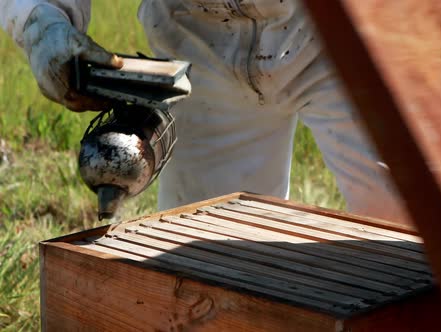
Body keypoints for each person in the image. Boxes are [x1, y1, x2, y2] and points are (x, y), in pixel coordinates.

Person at [0, 0, 406, 222]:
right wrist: (42, 20)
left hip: (335, 28)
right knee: (203, 251)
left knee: (414, 225)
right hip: (198, 39)